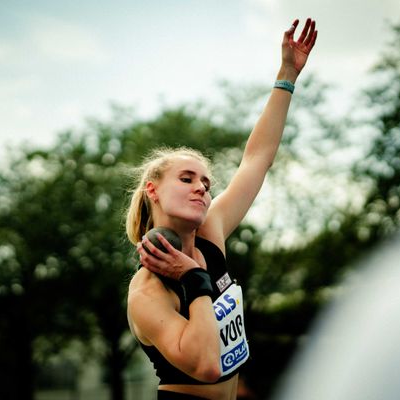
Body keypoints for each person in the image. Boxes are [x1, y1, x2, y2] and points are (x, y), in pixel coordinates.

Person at [126, 18, 317, 400]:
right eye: (186, 179)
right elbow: (206, 365)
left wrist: (286, 75)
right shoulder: (148, 291)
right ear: (153, 191)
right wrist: (193, 277)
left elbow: (257, 158)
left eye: (206, 183)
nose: (200, 187)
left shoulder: (210, 230)